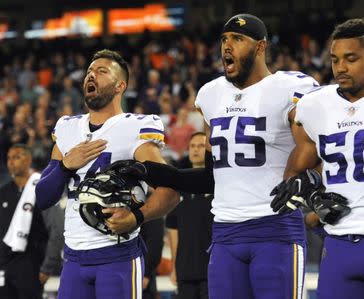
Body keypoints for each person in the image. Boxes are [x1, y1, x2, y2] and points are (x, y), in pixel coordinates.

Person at [107, 13, 320, 299]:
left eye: (238, 39)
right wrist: (150, 171)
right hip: (224, 234)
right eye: (224, 39)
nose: (227, 46)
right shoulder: (211, 95)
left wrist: (307, 179)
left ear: (260, 47)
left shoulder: (289, 88)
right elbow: (211, 178)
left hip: (274, 229)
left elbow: (317, 150)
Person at [270, 18, 364, 298]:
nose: (340, 67)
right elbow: (295, 173)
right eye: (335, 59)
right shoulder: (315, 105)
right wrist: (314, 198)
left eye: (351, 59)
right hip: (337, 245)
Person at [35, 49, 179, 299]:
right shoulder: (67, 128)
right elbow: (43, 197)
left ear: (119, 85)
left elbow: (171, 191)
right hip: (73, 257)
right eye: (90, 71)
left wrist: (136, 217)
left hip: (117, 255)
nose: (91, 75)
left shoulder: (135, 127)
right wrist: (65, 166)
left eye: (102, 71)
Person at [0, 144, 63, 299]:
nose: (11, 162)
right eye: (9, 158)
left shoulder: (42, 188)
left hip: (32, 266)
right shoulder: (4, 191)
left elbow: (57, 229)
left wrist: (47, 267)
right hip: (4, 267)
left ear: (28, 160)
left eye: (17, 157)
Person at [166, 132, 213, 299]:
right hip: (185, 270)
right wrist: (174, 267)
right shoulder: (180, 186)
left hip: (212, 268)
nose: (196, 150)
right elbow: (173, 229)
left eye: (201, 146)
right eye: (192, 146)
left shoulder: (217, 185)